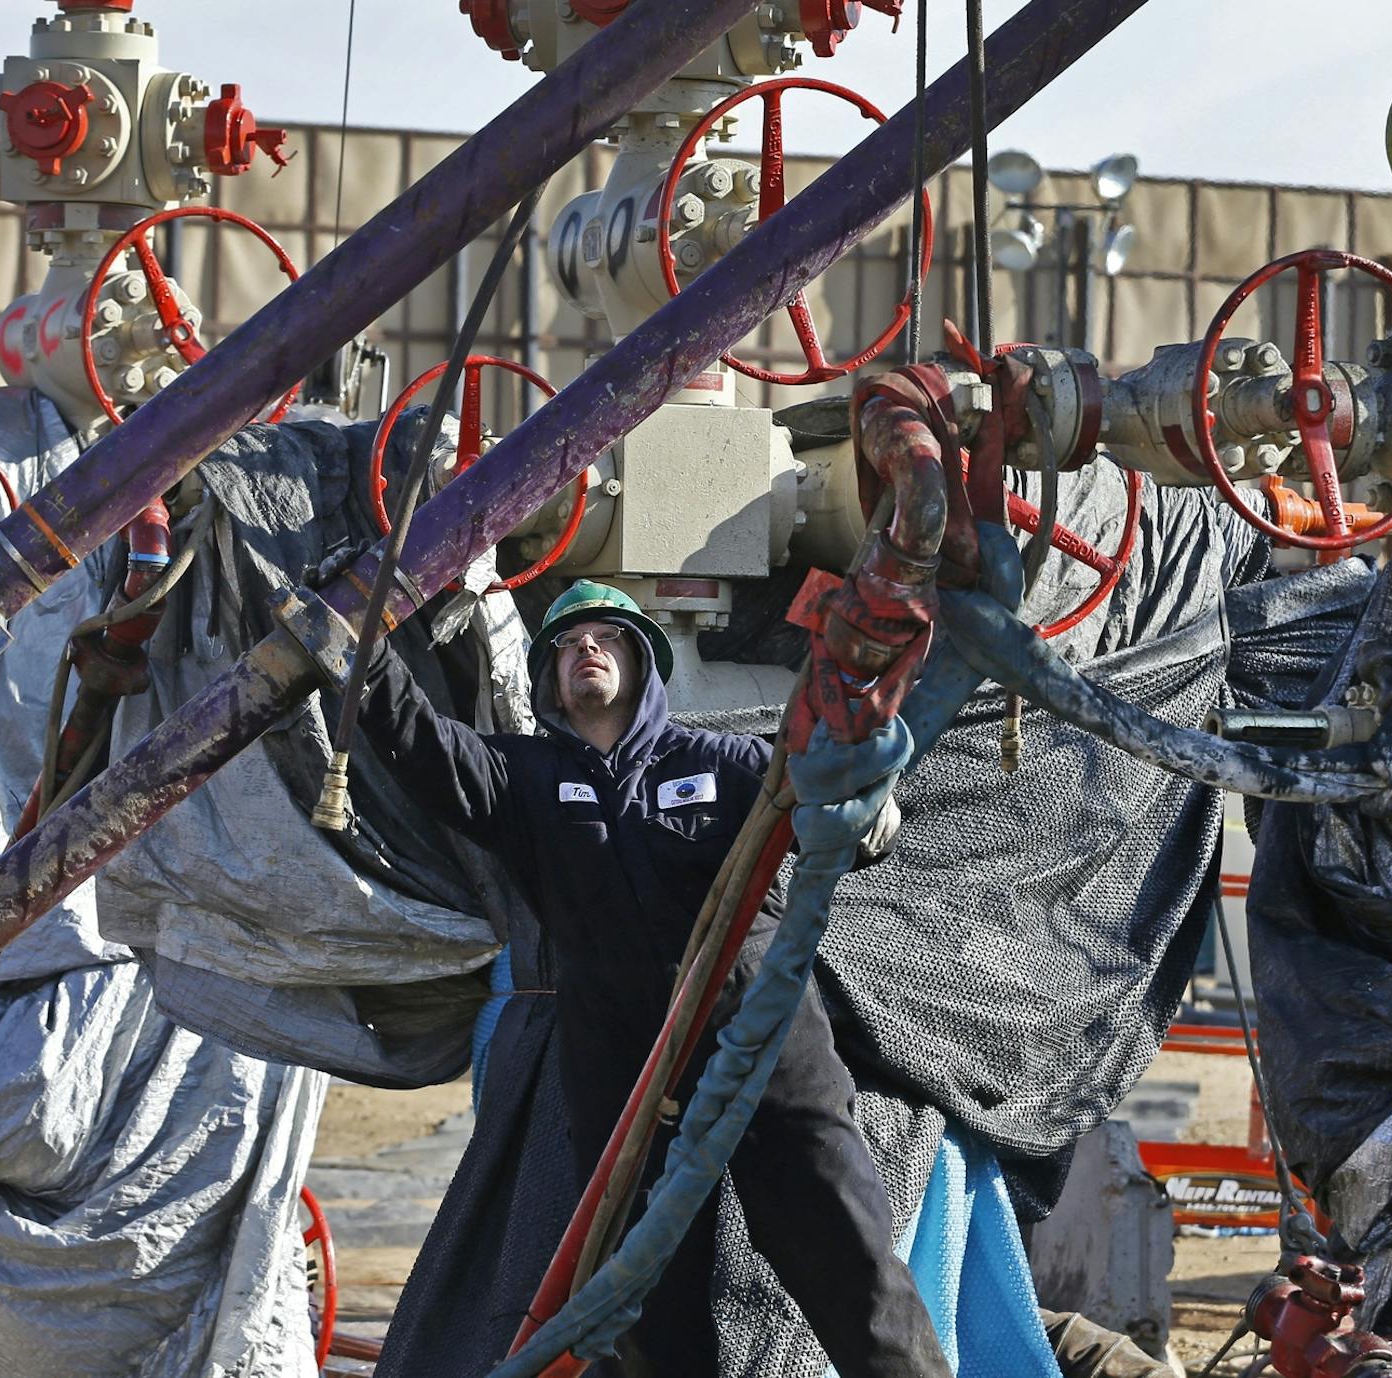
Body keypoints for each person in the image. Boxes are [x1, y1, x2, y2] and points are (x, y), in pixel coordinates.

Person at [353, 578, 949, 1377]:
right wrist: (362, 633)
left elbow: (830, 818)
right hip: (621, 1069)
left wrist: (866, 809)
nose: (583, 650)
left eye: (604, 636)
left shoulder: (730, 763)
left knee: (847, 1255)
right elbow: (416, 741)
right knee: (645, 1305)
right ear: (547, 679)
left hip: (764, 1047)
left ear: (643, 663)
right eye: (565, 644)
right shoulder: (520, 780)